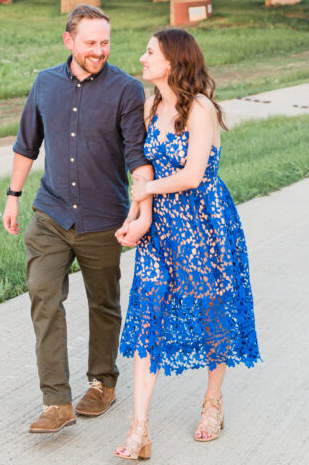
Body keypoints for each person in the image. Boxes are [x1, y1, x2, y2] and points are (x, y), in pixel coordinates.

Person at [3, 4, 154, 435]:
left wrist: (139, 210)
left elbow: (136, 158)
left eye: (105, 42)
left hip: (103, 219)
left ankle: (102, 383)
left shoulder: (126, 90)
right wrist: (13, 197)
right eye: (90, 43)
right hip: (50, 214)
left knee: (103, 304)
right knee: (43, 296)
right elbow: (26, 144)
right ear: (69, 41)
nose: (99, 50)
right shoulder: (45, 83)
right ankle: (56, 401)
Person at [113, 27, 260, 460]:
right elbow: (141, 173)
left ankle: (212, 402)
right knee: (146, 316)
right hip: (160, 233)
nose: (142, 58)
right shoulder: (149, 107)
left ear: (173, 62)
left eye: (150, 52)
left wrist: (146, 195)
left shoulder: (200, 109)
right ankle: (139, 430)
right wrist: (137, 219)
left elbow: (193, 176)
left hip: (205, 225)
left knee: (211, 309)